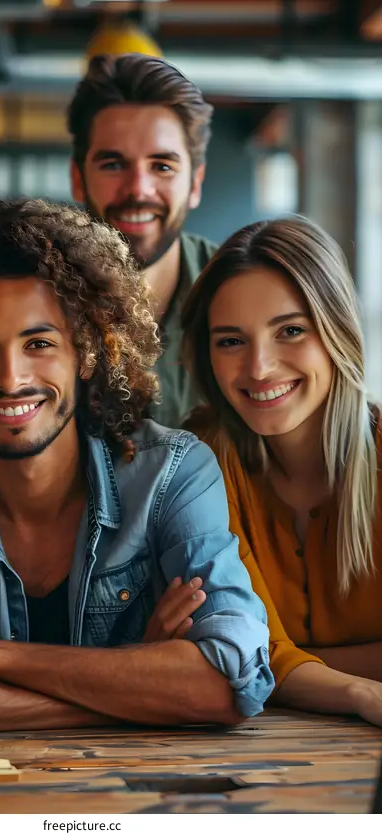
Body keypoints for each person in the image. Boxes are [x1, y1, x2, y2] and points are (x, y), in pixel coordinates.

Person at [0, 199, 273, 734]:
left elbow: (230, 681)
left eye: (39, 343)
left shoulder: (172, 474)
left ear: (87, 351)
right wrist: (131, 690)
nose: (10, 378)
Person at [181, 215, 382, 727]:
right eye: (231, 341)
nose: (260, 368)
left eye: (290, 331)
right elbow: (240, 659)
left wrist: (266, 664)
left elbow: (242, 661)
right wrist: (360, 690)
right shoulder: (193, 464)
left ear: (337, 331)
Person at [67, 52, 217, 428]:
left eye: (162, 166)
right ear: (78, 179)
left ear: (195, 184)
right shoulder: (34, 296)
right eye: (113, 164)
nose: (138, 188)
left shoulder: (239, 291)